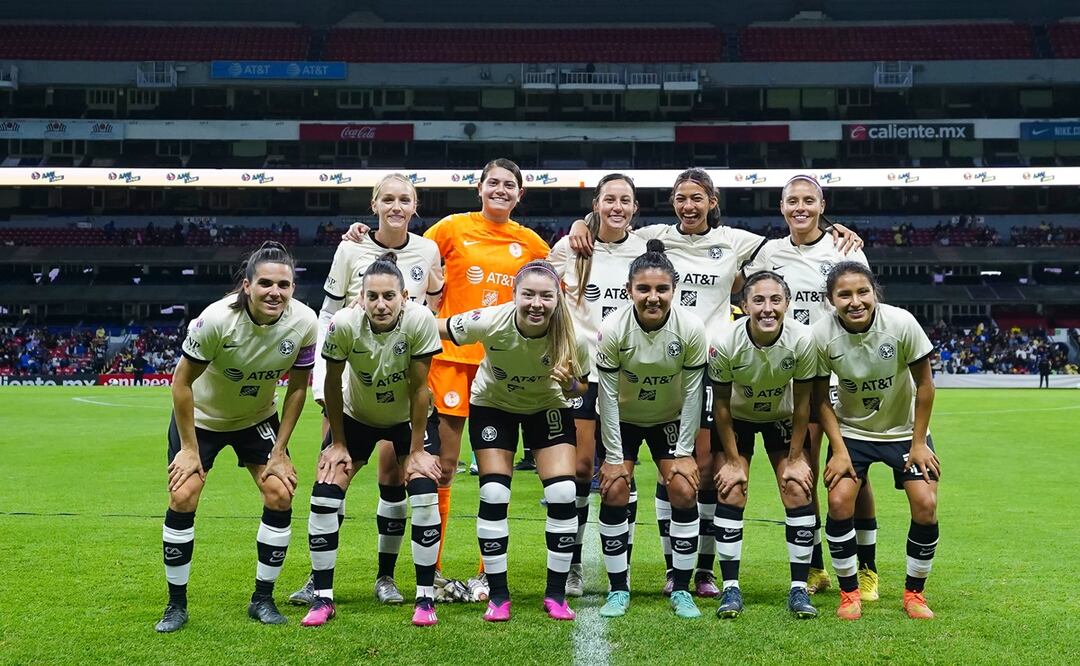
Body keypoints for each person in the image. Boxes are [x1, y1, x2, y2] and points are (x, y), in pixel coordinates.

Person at [570, 168, 862, 597]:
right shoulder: (654, 237)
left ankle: (701, 570)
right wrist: (583, 222)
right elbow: (611, 224)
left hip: (711, 367)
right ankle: (643, 569)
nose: (689, 206)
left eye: (697, 198)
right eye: (681, 198)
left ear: (712, 202)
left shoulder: (739, 243)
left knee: (701, 474)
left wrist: (835, 232)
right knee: (649, 471)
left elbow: (789, 249)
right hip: (653, 364)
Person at [346, 159, 550, 599]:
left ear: (520, 195)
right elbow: (403, 250)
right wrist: (360, 236)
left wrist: (580, 229)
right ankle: (432, 570)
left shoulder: (530, 242)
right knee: (444, 468)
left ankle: (486, 572)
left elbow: (558, 280)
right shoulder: (452, 228)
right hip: (452, 358)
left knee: (497, 470)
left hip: (506, 365)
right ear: (479, 188)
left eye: (509, 185)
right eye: (493, 183)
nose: (500, 190)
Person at [290, 173, 445, 607]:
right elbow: (329, 313)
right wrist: (323, 381)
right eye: (388, 199)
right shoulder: (350, 247)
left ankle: (386, 578)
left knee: (394, 480)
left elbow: (432, 305)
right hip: (353, 379)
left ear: (415, 207)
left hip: (403, 384)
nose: (397, 206)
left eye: (405, 200)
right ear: (374, 204)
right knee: (332, 469)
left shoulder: (427, 249)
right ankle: (316, 576)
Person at [155, 241, 318, 632]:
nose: (274, 292)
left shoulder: (305, 322)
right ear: (247, 285)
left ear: (293, 288)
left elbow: (297, 388)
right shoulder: (215, 320)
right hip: (203, 420)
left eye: (284, 285)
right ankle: (176, 605)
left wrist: (279, 451)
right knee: (183, 494)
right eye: (265, 283)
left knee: (280, 491)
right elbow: (181, 383)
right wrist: (190, 449)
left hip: (256, 418)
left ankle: (262, 599)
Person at [741, 174, 879, 600]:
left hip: (837, 373)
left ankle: (867, 566)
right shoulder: (768, 252)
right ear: (781, 207)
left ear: (822, 205)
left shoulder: (844, 249)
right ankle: (816, 566)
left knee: (851, 470)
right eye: (792, 201)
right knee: (805, 468)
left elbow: (861, 307)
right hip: (791, 375)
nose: (800, 207)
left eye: (808, 200)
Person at [437, 259, 590, 621]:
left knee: (563, 494)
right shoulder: (491, 320)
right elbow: (437, 327)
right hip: (494, 406)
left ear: (557, 299)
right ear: (515, 295)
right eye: (529, 295)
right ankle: (499, 596)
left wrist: (569, 383)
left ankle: (555, 595)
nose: (537, 304)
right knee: (493, 493)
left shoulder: (572, 337)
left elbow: (582, 386)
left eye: (546, 297)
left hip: (548, 407)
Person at [813, 262, 941, 621]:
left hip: (904, 432)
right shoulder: (821, 334)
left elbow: (926, 385)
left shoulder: (900, 323)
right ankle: (849, 593)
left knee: (926, 503)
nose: (855, 301)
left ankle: (914, 594)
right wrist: (838, 450)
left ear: (874, 293)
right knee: (839, 501)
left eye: (862, 292)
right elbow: (820, 398)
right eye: (845, 294)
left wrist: (919, 443)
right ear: (831, 300)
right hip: (852, 432)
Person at [594, 240, 708, 619]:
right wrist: (612, 458)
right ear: (630, 291)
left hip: (669, 418)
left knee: (683, 488)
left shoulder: (690, 328)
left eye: (662, 289)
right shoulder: (613, 329)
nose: (653, 297)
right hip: (622, 418)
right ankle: (618, 589)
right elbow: (607, 398)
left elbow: (694, 394)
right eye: (644, 289)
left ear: (674, 290)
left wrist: (685, 452)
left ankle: (680, 586)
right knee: (613, 490)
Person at [547, 173, 647, 597]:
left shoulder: (647, 250)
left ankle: (620, 565)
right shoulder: (570, 247)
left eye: (625, 200)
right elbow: (546, 297)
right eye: (610, 199)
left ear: (635, 207)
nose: (617, 207)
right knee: (582, 468)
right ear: (597, 203)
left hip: (628, 376)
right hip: (581, 376)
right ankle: (571, 565)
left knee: (623, 469)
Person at [709, 271, 819, 619]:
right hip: (737, 419)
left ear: (787, 304)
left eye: (775, 300)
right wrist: (731, 460)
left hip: (782, 417)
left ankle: (799, 589)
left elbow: (803, 403)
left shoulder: (802, 339)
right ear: (744, 305)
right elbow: (721, 406)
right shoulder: (724, 341)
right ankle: (730, 589)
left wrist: (797, 457)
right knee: (732, 489)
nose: (767, 308)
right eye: (758, 300)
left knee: (797, 488)